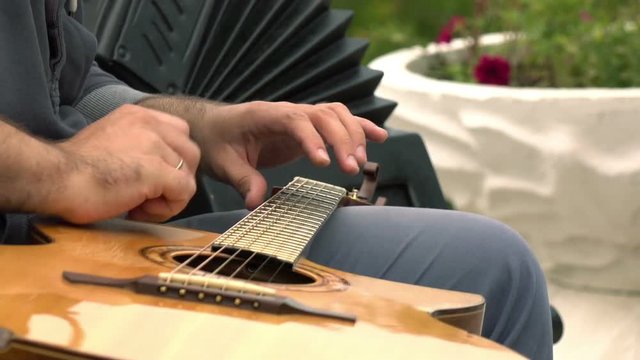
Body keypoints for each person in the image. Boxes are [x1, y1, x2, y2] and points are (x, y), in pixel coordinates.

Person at [0, 1, 553, 358]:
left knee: (491, 264)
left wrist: (201, 126)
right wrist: (66, 171)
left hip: (63, 244)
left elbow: (68, 83)